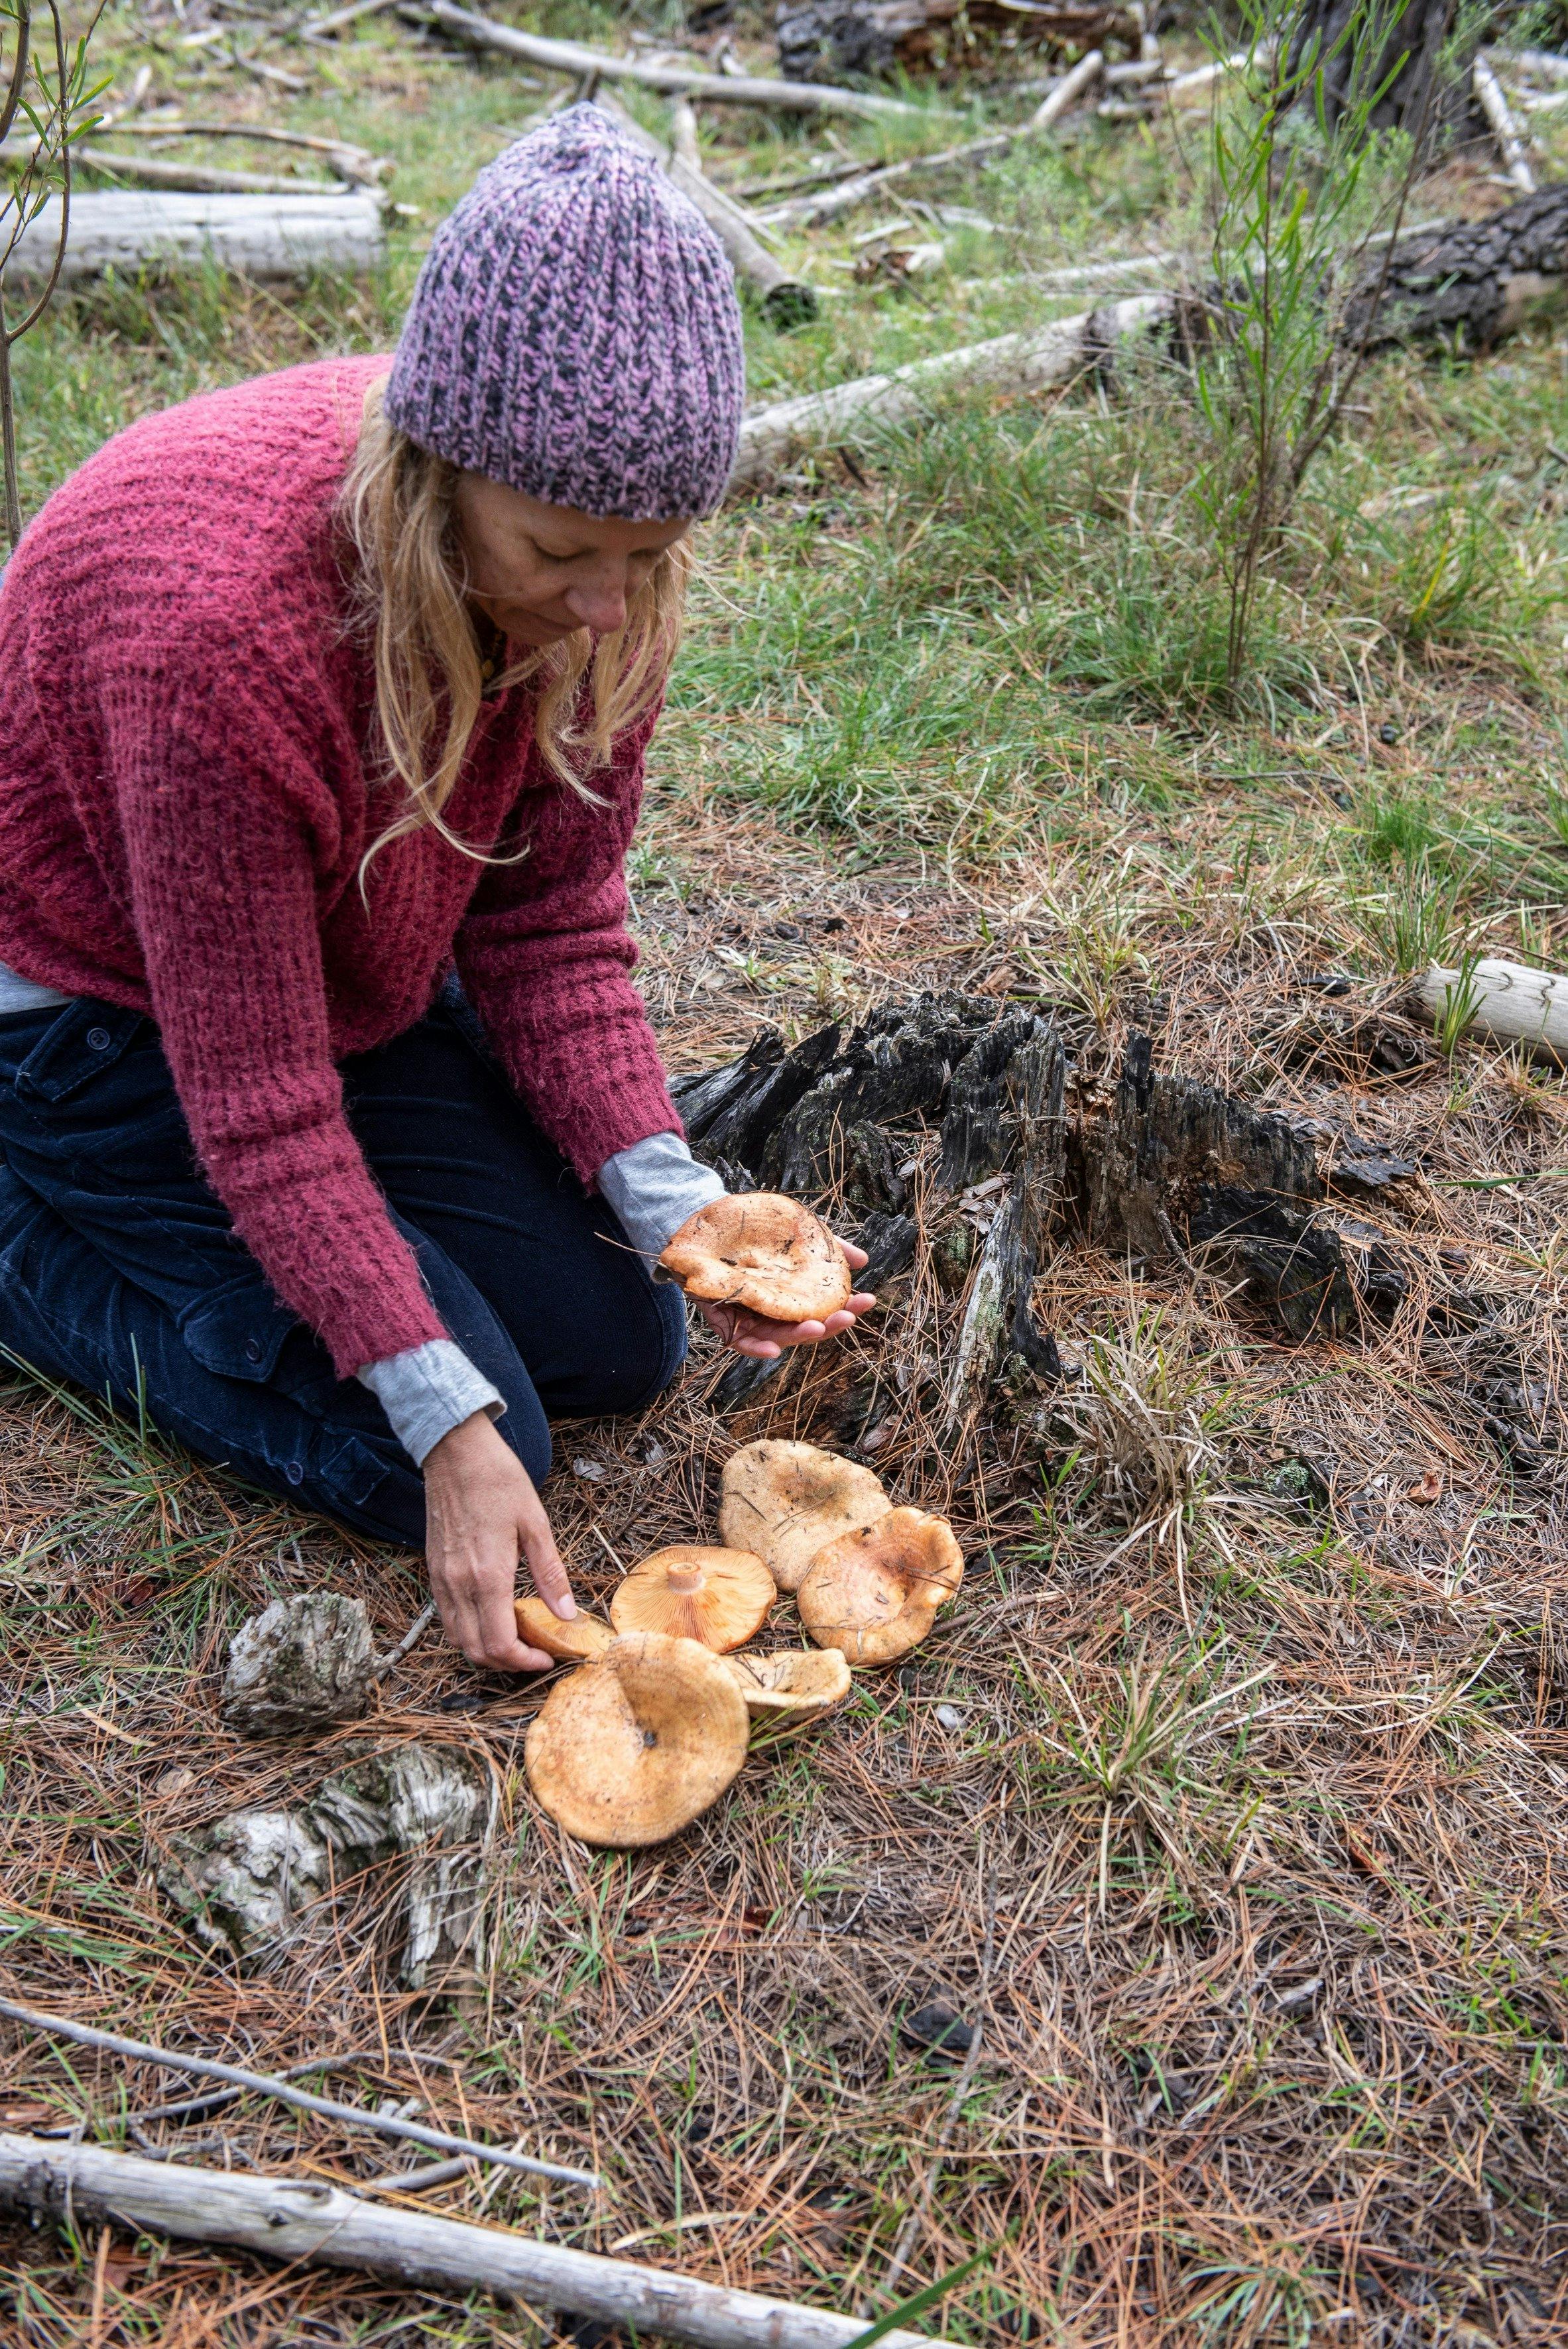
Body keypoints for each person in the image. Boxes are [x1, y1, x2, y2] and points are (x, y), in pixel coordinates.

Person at [0, 110, 873, 1673]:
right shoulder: (220, 641)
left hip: (343, 964)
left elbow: (548, 924)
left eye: (650, 556)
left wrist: (678, 1205)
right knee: (440, 1454)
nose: (608, 605)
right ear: (439, 475)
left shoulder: (596, 585)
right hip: (88, 1007)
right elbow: (263, 1101)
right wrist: (440, 1417)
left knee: (624, 1337)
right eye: (562, 551)